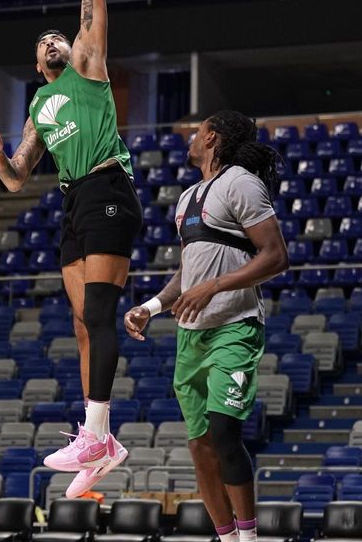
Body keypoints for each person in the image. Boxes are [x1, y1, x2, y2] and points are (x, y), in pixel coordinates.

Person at [0, 0, 141, 496]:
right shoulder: (39, 106)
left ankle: (95, 432)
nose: (52, 41)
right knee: (80, 322)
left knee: (97, 312)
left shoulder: (88, 65)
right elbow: (19, 176)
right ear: (37, 63)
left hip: (107, 187)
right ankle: (103, 442)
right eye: (43, 41)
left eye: (56, 36)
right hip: (72, 201)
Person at [123, 111, 289, 542]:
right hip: (191, 335)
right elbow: (189, 273)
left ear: (211, 137)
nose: (190, 138)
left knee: (223, 432)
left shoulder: (241, 183)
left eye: (197, 131)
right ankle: (226, 536)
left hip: (234, 325)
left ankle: (248, 539)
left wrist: (213, 287)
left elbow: (275, 255)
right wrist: (153, 305)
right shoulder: (189, 197)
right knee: (199, 445)